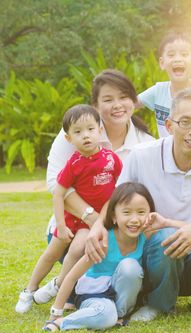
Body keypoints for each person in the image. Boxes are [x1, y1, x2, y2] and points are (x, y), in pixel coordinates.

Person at [85, 88, 191, 321]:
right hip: (154, 257)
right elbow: (117, 199)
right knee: (163, 233)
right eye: (185, 122)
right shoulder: (142, 155)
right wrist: (97, 225)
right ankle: (158, 305)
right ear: (169, 126)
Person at [15, 104, 122, 313]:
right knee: (52, 252)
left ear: (100, 130)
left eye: (91, 129)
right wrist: (61, 225)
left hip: (96, 220)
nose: (86, 136)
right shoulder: (74, 163)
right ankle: (29, 290)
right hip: (75, 217)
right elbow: (58, 193)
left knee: (77, 247)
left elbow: (120, 185)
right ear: (68, 138)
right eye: (78, 132)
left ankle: (58, 283)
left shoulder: (111, 158)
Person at [46, 69, 155, 242]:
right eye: (108, 99)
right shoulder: (75, 133)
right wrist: (93, 219)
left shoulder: (147, 144)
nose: (117, 105)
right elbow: (55, 182)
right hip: (74, 227)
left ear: (134, 101)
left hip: (125, 232)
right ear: (95, 106)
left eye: (124, 97)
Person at [42, 182, 155, 332]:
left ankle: (120, 315)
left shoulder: (147, 237)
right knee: (106, 315)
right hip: (96, 293)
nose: (134, 220)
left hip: (121, 296)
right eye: (127, 213)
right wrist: (56, 311)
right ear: (114, 216)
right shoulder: (103, 242)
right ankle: (62, 323)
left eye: (141, 212)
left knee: (130, 267)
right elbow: (72, 276)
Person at [138, 32, 191, 144]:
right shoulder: (158, 90)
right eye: (171, 55)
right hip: (166, 157)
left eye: (184, 54)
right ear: (162, 63)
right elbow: (129, 105)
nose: (177, 59)